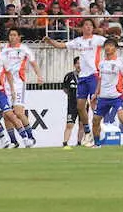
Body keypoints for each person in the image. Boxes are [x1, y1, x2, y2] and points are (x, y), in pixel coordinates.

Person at [45, 18, 106, 146]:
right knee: (80, 106)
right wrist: (50, 41)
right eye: (86, 25)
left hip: (94, 75)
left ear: (93, 28)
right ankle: (87, 130)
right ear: (82, 28)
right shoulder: (78, 41)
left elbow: (111, 44)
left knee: (94, 105)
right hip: (83, 77)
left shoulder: (97, 39)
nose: (88, 27)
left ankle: (97, 137)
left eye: (90, 25)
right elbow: (62, 46)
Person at [0, 30, 45, 148]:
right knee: (6, 114)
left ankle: (30, 137)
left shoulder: (24, 49)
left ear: (19, 37)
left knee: (19, 112)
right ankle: (13, 141)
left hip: (18, 83)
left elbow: (33, 63)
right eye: (10, 35)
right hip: (5, 84)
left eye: (15, 35)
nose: (12, 37)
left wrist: (39, 76)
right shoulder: (4, 49)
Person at [62, 56, 82, 148]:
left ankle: (79, 143)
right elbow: (65, 89)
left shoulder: (87, 76)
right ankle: (65, 143)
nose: (79, 65)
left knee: (82, 124)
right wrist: (72, 97)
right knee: (69, 124)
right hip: (72, 105)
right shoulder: (69, 76)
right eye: (77, 63)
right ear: (74, 65)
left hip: (83, 104)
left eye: (81, 63)